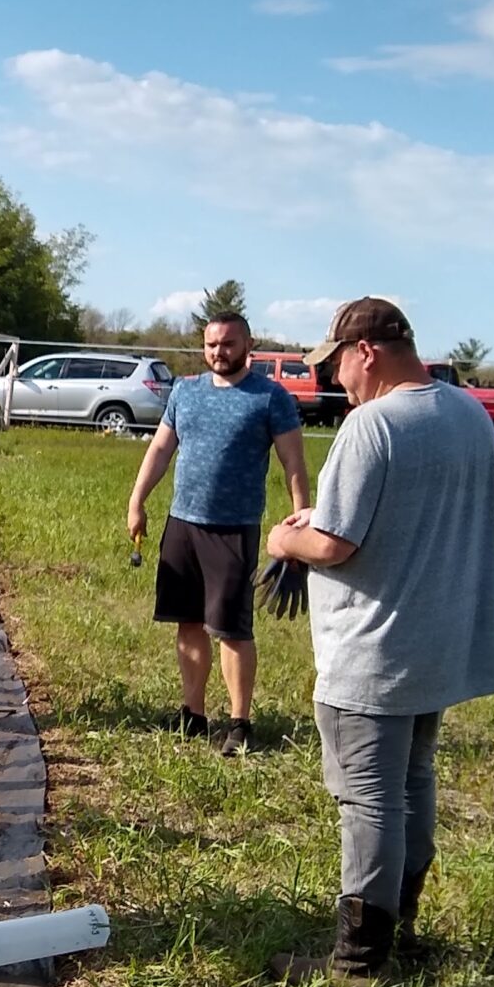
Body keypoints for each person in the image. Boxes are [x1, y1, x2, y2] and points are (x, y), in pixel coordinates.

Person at [261, 298, 494, 985]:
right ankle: (403, 927)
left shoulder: (372, 426)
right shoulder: (467, 415)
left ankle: (362, 964)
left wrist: (284, 536)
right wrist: (324, 513)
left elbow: (334, 543)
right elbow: (410, 510)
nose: (334, 380)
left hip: (373, 651)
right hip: (438, 646)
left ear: (365, 350)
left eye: (334, 364)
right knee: (411, 785)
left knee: (367, 800)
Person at [123, 312, 310, 757]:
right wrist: (137, 502)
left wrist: (301, 518)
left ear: (249, 345)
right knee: (188, 623)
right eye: (210, 345)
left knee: (230, 629)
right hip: (182, 523)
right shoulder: (185, 392)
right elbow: (161, 449)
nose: (217, 353)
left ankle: (240, 722)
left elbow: (294, 464)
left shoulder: (270, 398)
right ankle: (193, 714)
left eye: (227, 344)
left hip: (234, 529)